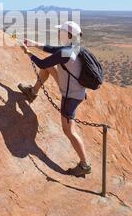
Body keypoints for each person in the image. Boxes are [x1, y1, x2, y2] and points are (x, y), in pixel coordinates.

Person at [19, 21, 91, 177]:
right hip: (77, 89)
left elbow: (42, 61)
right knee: (48, 68)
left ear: (67, 34)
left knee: (69, 131)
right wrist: (32, 43)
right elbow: (50, 49)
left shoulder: (65, 52)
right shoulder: (75, 47)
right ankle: (33, 92)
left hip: (71, 95)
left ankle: (84, 164)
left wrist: (28, 52)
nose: (59, 34)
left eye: (61, 32)